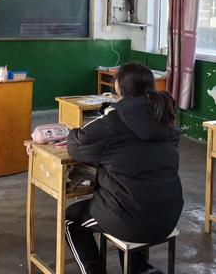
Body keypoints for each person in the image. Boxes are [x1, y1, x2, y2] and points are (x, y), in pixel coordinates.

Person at [65, 62, 183, 274]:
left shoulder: (114, 120)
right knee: (134, 196)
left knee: (71, 218)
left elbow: (76, 146)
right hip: (169, 215)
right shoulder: (167, 118)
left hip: (129, 219)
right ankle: (138, 268)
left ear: (119, 87)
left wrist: (70, 131)